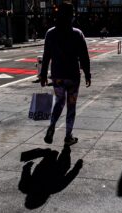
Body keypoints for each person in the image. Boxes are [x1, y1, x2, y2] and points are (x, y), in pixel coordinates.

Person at [39, 2, 91, 146]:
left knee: (59, 102)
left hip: (57, 75)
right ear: (71, 16)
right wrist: (87, 73)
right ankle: (68, 136)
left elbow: (46, 56)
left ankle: (51, 126)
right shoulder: (77, 33)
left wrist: (43, 75)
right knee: (71, 105)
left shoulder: (50, 33)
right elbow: (84, 56)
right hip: (73, 76)